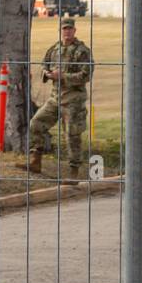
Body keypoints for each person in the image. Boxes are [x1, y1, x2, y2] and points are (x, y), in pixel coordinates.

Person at [26, 17, 94, 182]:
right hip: (55, 98)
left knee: (72, 135)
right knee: (36, 123)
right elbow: (44, 65)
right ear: (60, 31)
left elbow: (86, 75)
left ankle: (74, 172)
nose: (67, 31)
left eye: (70, 29)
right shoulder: (54, 49)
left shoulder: (82, 51)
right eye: (64, 29)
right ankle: (36, 160)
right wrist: (47, 74)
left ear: (74, 31)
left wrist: (62, 76)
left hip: (73, 100)